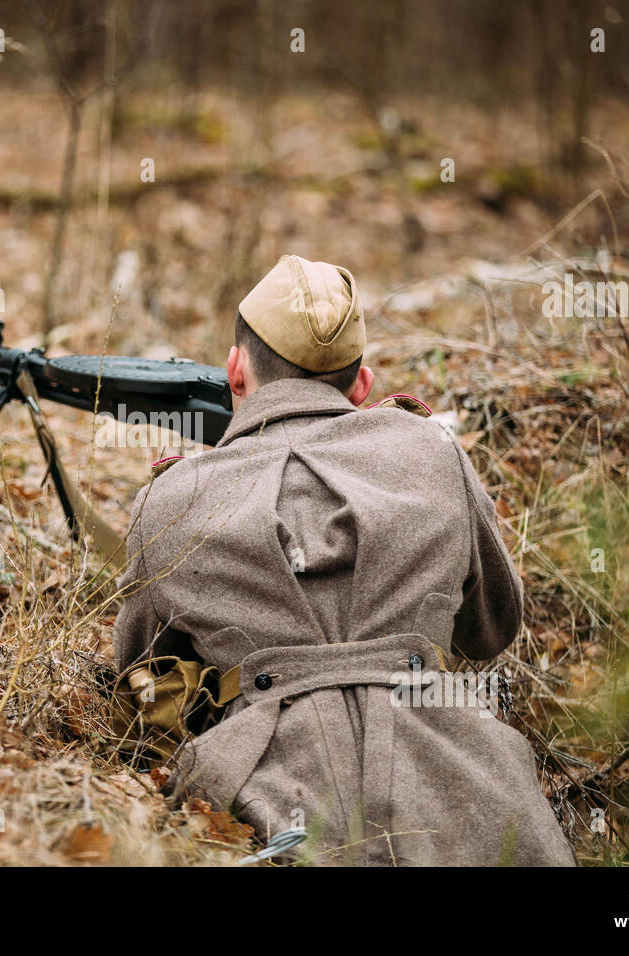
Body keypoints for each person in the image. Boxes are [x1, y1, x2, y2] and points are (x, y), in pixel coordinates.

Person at [113, 254, 575, 865]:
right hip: (471, 801)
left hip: (262, 813)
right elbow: (492, 630)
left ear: (235, 369)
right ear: (363, 387)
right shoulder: (433, 453)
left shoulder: (170, 500)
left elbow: (142, 686)